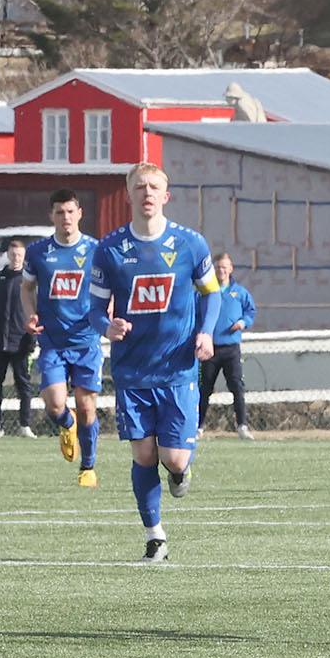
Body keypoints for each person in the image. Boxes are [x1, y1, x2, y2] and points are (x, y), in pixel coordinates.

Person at [89, 164, 221, 563]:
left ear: (166, 195)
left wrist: (206, 332)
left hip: (177, 368)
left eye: (154, 187)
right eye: (140, 187)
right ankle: (155, 536)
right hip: (132, 371)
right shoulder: (109, 249)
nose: (147, 193)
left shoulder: (191, 244)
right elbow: (94, 309)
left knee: (173, 459)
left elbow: (212, 293)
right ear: (128, 194)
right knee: (144, 455)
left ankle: (180, 471)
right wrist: (107, 326)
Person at [22, 191, 105, 488]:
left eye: (70, 211)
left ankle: (88, 467)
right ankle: (67, 425)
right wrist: (30, 315)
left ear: (80, 213)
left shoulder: (97, 250)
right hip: (52, 342)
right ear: (52, 216)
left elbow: (110, 287)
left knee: (86, 406)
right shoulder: (37, 252)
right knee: (56, 405)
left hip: (86, 341)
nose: (66, 217)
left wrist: (108, 314)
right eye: (60, 212)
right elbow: (26, 288)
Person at [0, 237, 37, 440]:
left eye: (19, 254)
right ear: (8, 255)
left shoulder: (31, 282)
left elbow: (39, 310)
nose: (16, 257)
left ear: (24, 256)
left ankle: (25, 425)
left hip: (21, 342)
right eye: (13, 254)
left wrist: (35, 337)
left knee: (23, 385)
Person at [199, 252, 258, 440]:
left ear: (231, 269)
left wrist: (243, 322)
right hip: (210, 349)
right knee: (204, 389)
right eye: (218, 267)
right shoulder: (205, 292)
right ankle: (198, 427)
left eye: (224, 267)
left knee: (237, 387)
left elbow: (250, 311)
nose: (221, 270)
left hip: (231, 349)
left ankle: (242, 426)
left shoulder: (239, 292)